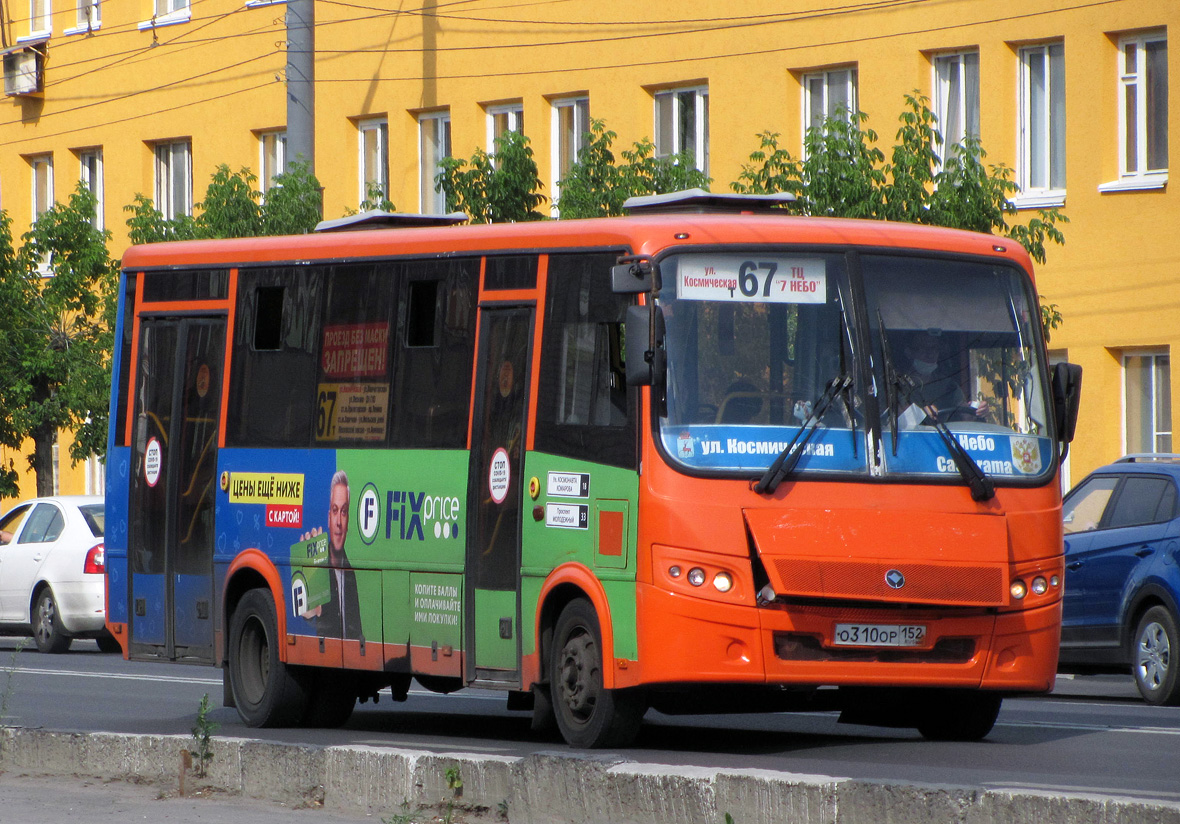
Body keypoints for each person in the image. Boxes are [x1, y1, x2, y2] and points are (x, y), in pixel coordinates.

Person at [301, 470, 362, 640]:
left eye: (344, 512)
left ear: (348, 519)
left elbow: (357, 636)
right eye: (335, 511)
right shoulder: (317, 566)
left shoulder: (350, 573)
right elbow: (307, 616)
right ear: (328, 518)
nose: (338, 522)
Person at [900, 331, 988, 425]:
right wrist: (918, 414)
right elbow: (893, 422)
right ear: (909, 352)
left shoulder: (949, 386)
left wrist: (978, 411)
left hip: (944, 438)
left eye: (934, 348)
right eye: (923, 348)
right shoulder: (898, 384)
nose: (930, 354)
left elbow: (965, 415)